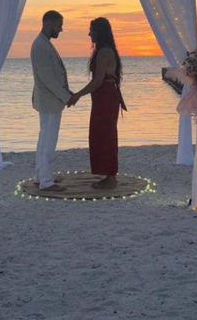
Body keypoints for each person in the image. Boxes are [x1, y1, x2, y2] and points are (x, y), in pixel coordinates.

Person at [70, 17, 126, 189]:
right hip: (103, 96)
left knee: (106, 135)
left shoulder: (104, 52)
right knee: (100, 134)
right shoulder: (103, 51)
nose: (89, 33)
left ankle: (111, 177)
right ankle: (108, 175)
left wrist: (78, 95)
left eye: (91, 30)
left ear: (99, 32)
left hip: (106, 97)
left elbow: (98, 81)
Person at [30, 10, 76, 191]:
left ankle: (40, 175)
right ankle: (46, 181)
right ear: (48, 23)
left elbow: (53, 77)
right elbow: (48, 78)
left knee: (44, 138)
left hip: (50, 100)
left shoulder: (43, 43)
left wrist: (66, 91)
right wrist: (66, 97)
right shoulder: (40, 46)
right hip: (50, 101)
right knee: (48, 140)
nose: (61, 29)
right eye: (59, 25)